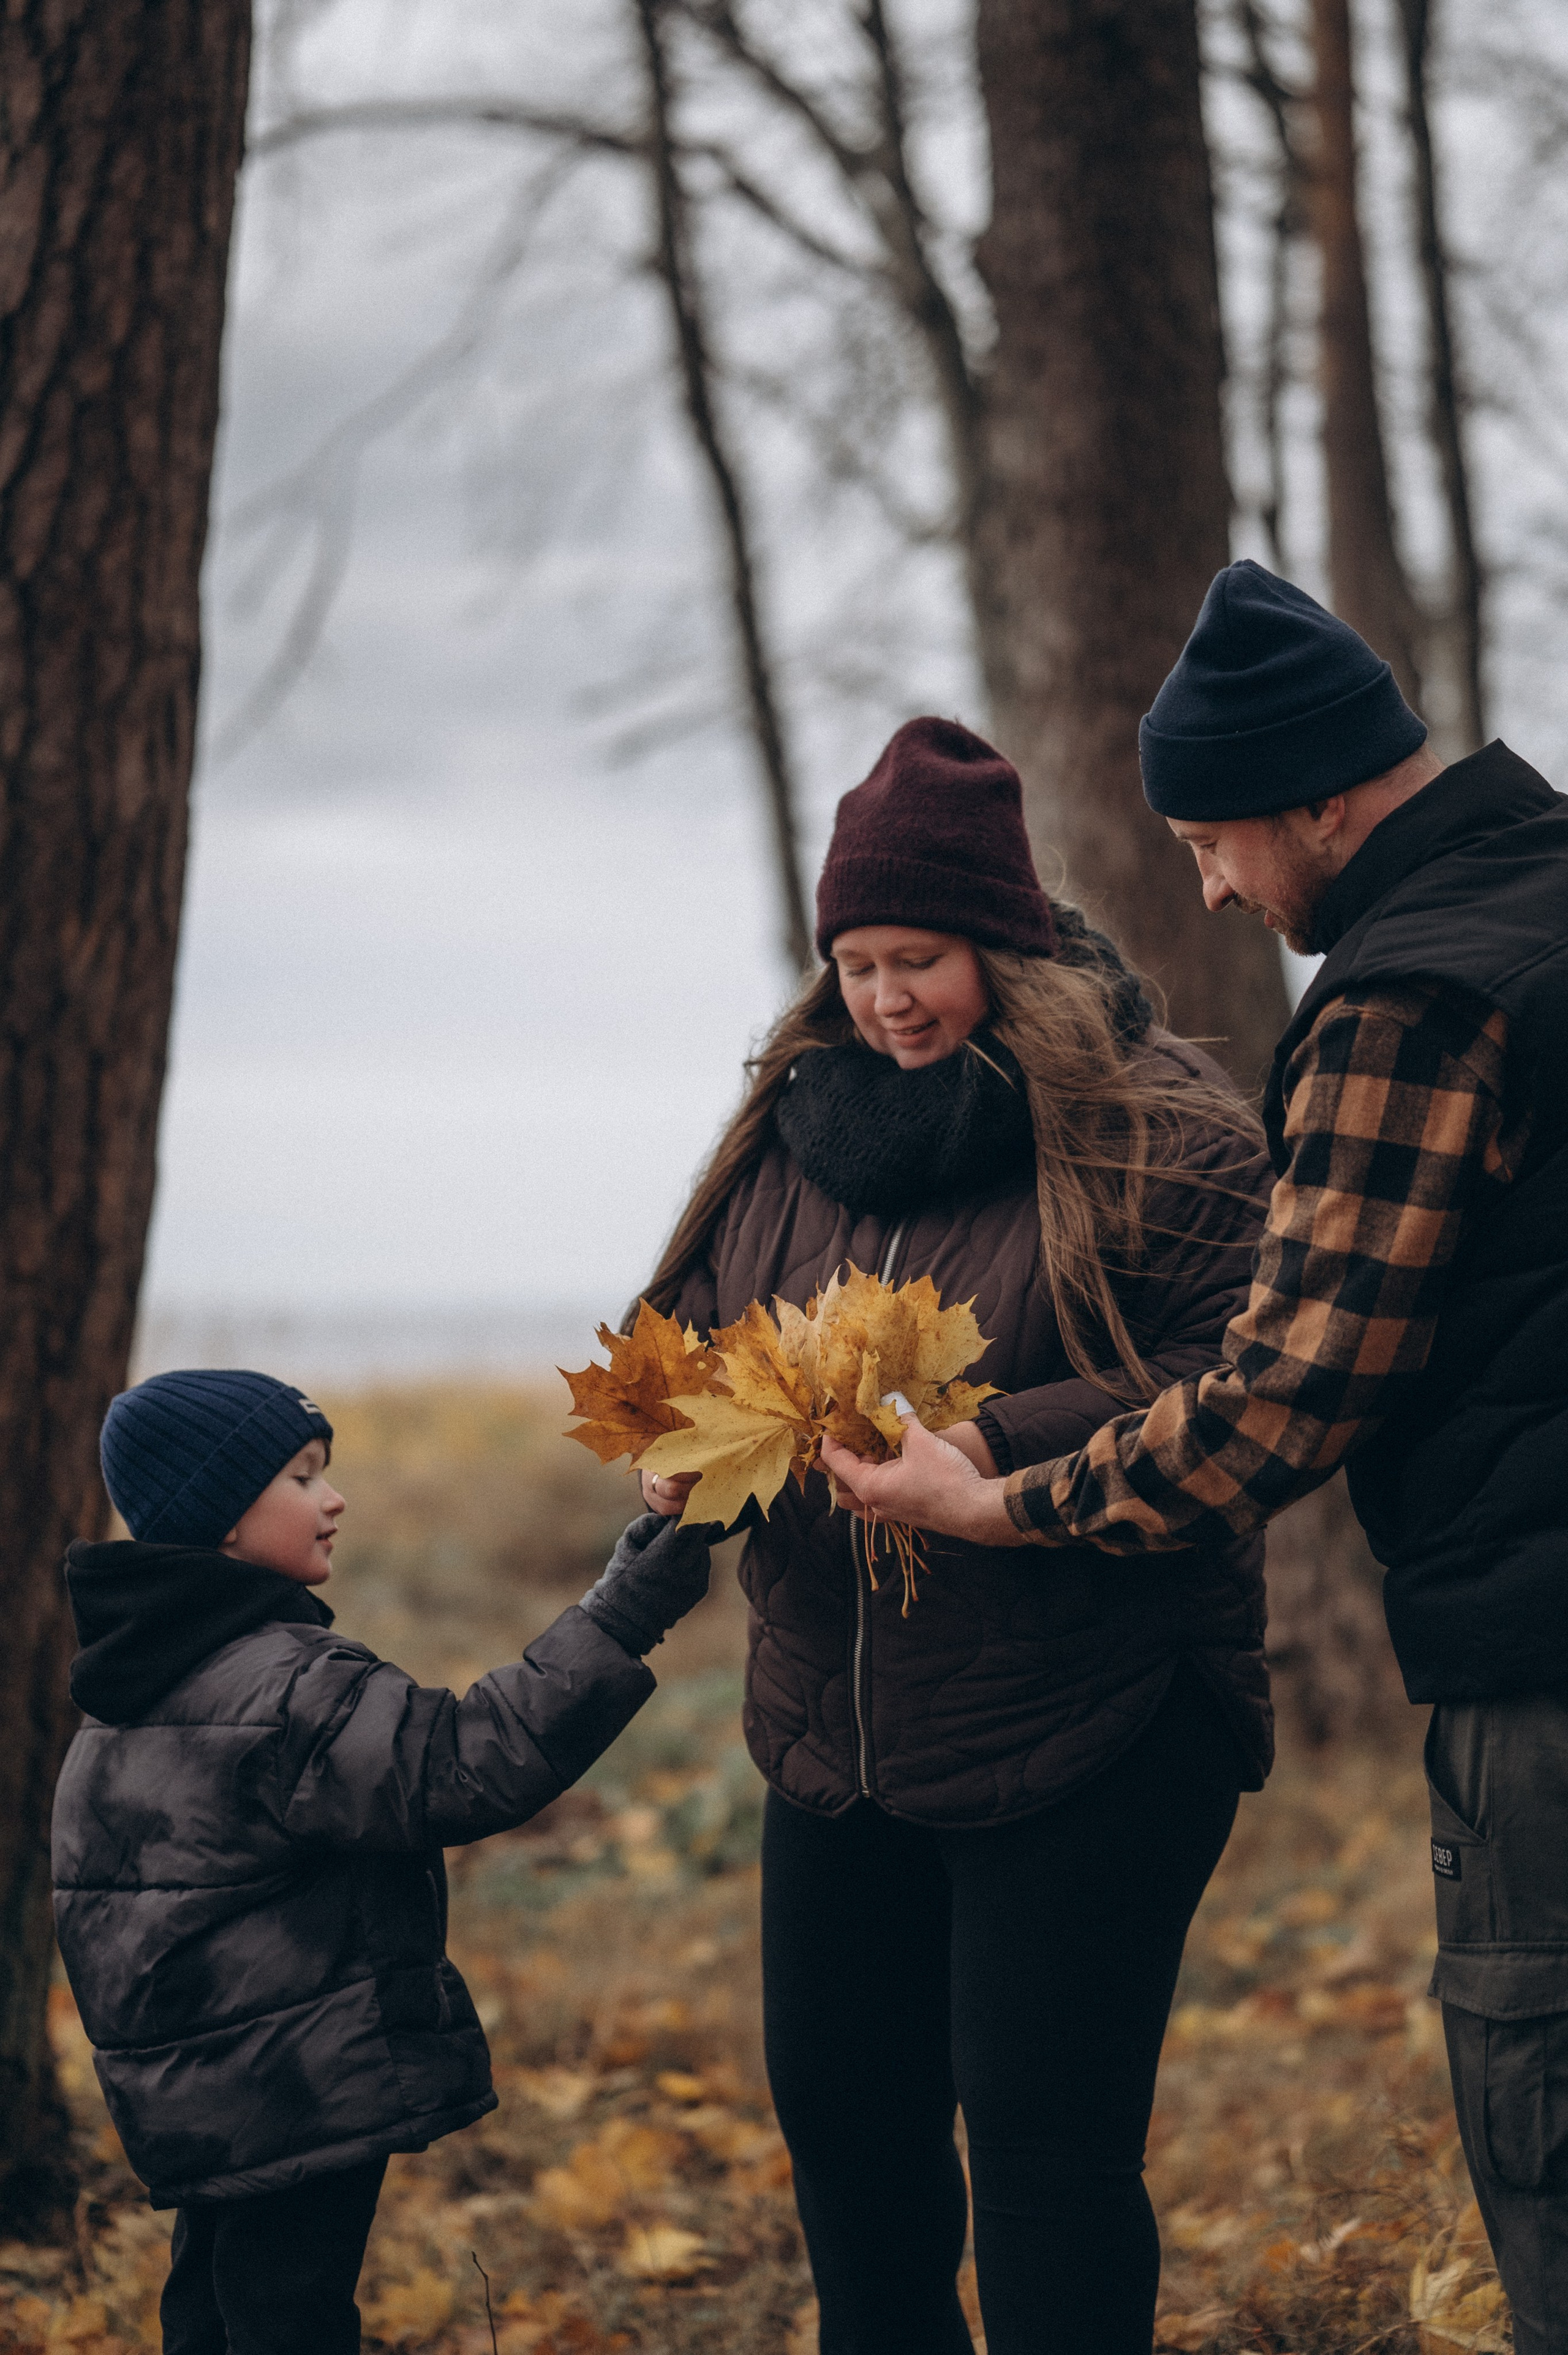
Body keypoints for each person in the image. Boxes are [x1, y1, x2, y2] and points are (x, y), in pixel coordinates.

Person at [822, 565, 1568, 2355]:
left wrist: (1000, 1498)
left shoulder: (1410, 996)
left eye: (1216, 838)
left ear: (1322, 795)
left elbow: (1289, 1393)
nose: (1210, 887)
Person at [636, 715, 1275, 2355]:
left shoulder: (1159, 1126)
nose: (882, 997)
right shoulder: (791, 1122)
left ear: (1001, 938)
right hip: (831, 1735)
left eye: (915, 957)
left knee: (1047, 2161)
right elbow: (679, 1333)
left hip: (1093, 1717)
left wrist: (990, 1444)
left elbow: (1244, 1380)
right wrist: (680, 1439)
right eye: (852, 962)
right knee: (852, 2153)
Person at [51, 1367, 714, 2355]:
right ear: (223, 1516)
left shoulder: (122, 1692)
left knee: (214, 2314)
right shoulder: (285, 1688)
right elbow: (459, 1766)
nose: (335, 1498)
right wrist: (626, 1609)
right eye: (302, 1476)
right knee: (292, 2322)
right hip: (296, 2090)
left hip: (197, 2094)